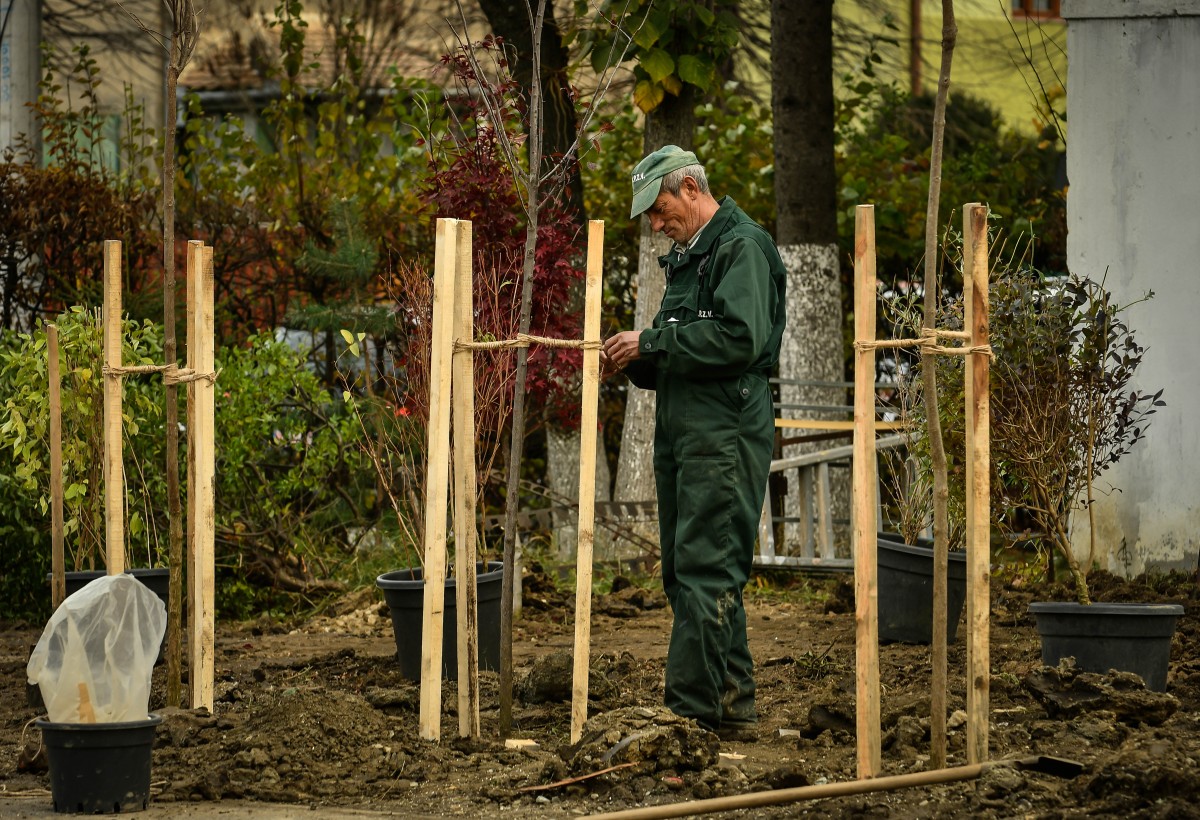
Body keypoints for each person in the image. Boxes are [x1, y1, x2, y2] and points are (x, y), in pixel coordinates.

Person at [602, 145, 787, 741]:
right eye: (651, 218)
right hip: (684, 433)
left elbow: (739, 338)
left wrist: (653, 345)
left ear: (689, 187)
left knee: (708, 569)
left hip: (725, 435)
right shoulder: (689, 255)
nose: (656, 226)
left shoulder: (741, 247)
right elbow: (681, 346)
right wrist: (636, 358)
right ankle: (732, 706)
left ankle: (686, 718)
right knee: (687, 573)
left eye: (659, 211)